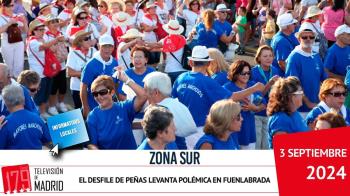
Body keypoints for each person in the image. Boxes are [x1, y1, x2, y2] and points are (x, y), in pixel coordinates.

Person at [172, 45, 265, 149]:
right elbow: (231, 97)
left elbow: (174, 100)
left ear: (190, 62)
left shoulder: (180, 78)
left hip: (182, 127)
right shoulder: (207, 81)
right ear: (208, 63)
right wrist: (254, 88)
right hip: (200, 129)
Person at [86, 74, 147, 150]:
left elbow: (143, 95)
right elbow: (92, 144)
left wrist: (126, 79)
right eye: (95, 94)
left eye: (103, 92)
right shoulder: (92, 116)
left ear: (112, 92)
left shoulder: (124, 107)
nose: (99, 97)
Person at [143, 71, 197, 149]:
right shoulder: (179, 105)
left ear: (156, 92)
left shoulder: (158, 111)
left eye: (146, 90)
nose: (144, 93)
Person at [285, 25, 328, 116]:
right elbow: (292, 85)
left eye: (311, 37)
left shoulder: (316, 56)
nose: (308, 39)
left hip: (316, 105)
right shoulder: (294, 57)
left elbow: (324, 79)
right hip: (300, 109)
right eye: (304, 37)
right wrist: (307, 102)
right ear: (299, 39)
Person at [27, 19, 65, 119]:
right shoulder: (32, 41)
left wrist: (53, 43)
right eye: (39, 29)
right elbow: (43, 47)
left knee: (45, 94)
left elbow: (52, 49)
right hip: (39, 74)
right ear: (33, 31)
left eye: (43, 29)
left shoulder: (42, 39)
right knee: (39, 96)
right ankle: (37, 115)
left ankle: (43, 112)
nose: (42, 31)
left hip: (47, 72)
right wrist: (56, 40)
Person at [223, 60, 266, 149]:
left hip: (249, 131)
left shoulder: (253, 85)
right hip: (232, 133)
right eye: (243, 73)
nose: (246, 75)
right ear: (235, 73)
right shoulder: (227, 87)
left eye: (248, 73)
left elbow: (263, 104)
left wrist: (255, 108)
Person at [0, 85, 51, 149]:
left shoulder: (4, 124)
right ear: (24, 99)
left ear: (5, 103)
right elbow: (47, 141)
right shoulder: (37, 118)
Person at [80, 34, 118, 118]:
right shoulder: (90, 65)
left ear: (113, 47)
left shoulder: (114, 62)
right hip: (94, 107)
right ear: (98, 46)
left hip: (110, 106)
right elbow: (83, 88)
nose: (107, 49)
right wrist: (86, 108)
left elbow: (114, 85)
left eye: (110, 46)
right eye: (104, 46)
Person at [250, 45, 281, 149]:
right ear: (258, 58)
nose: (268, 58)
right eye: (265, 56)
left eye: (270, 56)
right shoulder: (253, 72)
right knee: (257, 145)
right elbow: (258, 96)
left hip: (270, 113)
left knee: (267, 146)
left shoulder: (275, 70)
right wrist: (269, 83)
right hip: (257, 113)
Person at [267, 76, 309, 149]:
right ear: (291, 97)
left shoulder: (295, 113)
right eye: (300, 92)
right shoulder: (280, 119)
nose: (303, 95)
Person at [44, 14, 69, 115]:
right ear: (48, 25)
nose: (55, 24)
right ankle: (52, 106)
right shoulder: (45, 35)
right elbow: (45, 47)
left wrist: (66, 40)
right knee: (53, 88)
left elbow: (69, 41)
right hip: (52, 66)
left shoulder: (61, 33)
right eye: (52, 22)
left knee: (63, 87)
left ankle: (61, 103)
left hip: (62, 64)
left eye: (56, 21)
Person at [67, 30, 96, 109]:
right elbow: (69, 72)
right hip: (77, 88)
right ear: (79, 42)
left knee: (93, 109)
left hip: (93, 87)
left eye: (89, 38)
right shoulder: (73, 54)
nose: (89, 40)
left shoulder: (94, 51)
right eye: (86, 39)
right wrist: (86, 73)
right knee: (80, 111)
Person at [0, 0, 28, 78]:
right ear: (4, 6)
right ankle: (10, 87)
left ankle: (18, 87)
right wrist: (9, 23)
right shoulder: (1, 17)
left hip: (19, 43)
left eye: (12, 5)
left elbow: (25, 31)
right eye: (9, 6)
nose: (11, 8)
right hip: (7, 44)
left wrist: (25, 22)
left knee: (19, 66)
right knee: (8, 68)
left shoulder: (17, 16)